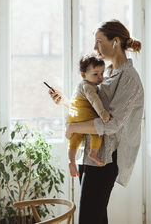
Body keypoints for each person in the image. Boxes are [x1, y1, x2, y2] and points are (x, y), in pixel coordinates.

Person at [49, 19, 144, 224]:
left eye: (99, 41)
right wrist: (65, 101)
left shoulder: (129, 78)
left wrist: (73, 127)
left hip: (106, 159)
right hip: (92, 156)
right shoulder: (108, 73)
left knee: (88, 219)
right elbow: (92, 110)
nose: (95, 47)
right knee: (97, 219)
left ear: (115, 42)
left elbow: (111, 124)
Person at [67, 53, 110, 177]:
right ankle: (93, 153)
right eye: (96, 74)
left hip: (73, 117)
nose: (100, 77)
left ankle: (71, 161)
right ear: (83, 75)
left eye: (102, 73)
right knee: (97, 131)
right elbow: (94, 100)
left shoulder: (80, 86)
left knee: (74, 141)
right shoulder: (88, 86)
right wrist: (103, 113)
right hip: (85, 115)